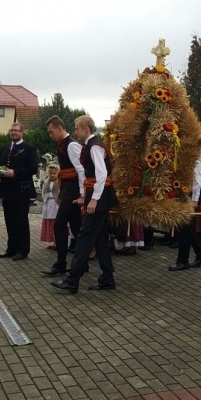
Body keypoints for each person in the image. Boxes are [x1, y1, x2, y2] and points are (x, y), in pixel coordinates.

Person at [51, 115, 117, 293]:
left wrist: (94, 199)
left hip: (98, 198)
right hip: (97, 196)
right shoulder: (91, 145)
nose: (75, 132)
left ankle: (72, 281)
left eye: (77, 129)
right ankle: (107, 278)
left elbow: (101, 174)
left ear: (86, 130)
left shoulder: (94, 146)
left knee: (84, 238)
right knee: (100, 239)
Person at [42, 116, 84, 276]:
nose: (50, 135)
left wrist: (82, 193)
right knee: (76, 227)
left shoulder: (71, 144)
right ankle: (82, 263)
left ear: (59, 128)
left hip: (72, 191)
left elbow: (81, 169)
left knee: (59, 225)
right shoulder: (64, 144)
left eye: (51, 131)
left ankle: (61, 263)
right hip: (68, 189)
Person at [169, 138, 201, 271]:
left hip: (192, 194)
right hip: (186, 192)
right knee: (186, 227)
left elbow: (196, 178)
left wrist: (195, 198)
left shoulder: (199, 157)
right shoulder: (189, 155)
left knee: (185, 227)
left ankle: (183, 260)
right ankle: (200, 255)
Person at [0, 122, 38, 261]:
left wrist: (15, 173)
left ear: (22, 132)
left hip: (21, 190)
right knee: (9, 220)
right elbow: (0, 165)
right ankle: (11, 248)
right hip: (7, 190)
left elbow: (33, 168)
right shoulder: (5, 148)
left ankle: (22, 249)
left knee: (21, 220)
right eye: (11, 130)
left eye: (16, 130)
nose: (13, 132)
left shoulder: (29, 149)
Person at [40, 164, 60, 250]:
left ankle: (57, 243)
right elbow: (44, 192)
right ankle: (52, 242)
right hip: (48, 204)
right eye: (50, 173)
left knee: (56, 222)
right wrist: (46, 198)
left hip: (56, 204)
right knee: (50, 223)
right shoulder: (46, 182)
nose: (52, 175)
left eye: (54, 173)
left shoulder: (59, 182)